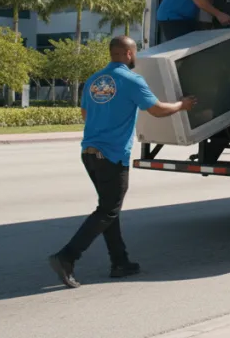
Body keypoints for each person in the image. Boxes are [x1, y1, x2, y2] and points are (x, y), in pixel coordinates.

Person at [48, 36, 197, 289]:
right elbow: (157, 110)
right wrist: (182, 105)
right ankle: (67, 257)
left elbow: (85, 114)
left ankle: (120, 262)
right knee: (107, 210)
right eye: (135, 52)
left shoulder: (94, 80)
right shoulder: (131, 80)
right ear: (128, 53)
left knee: (109, 208)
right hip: (112, 155)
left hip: (89, 153)